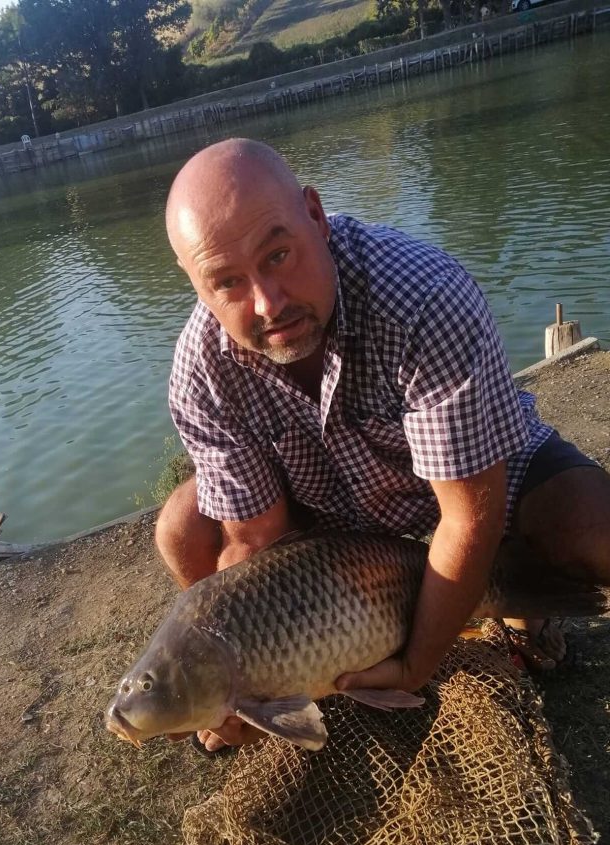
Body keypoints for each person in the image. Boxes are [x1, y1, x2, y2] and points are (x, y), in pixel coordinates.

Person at [157, 138, 610, 753]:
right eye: (227, 283)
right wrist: (231, 673)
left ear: (315, 216)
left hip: (465, 479)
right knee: (183, 527)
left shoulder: (422, 296)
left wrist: (417, 664)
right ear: (197, 286)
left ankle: (508, 600)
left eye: (279, 254)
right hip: (328, 514)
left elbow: (465, 515)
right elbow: (255, 543)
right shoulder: (200, 369)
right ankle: (261, 683)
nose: (268, 302)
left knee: (593, 532)